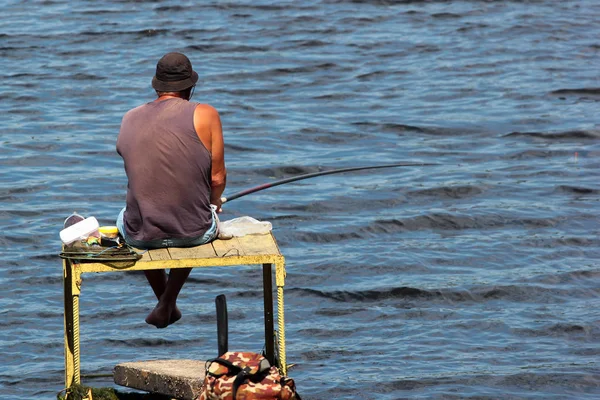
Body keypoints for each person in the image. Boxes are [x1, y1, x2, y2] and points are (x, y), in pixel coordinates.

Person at [116, 52, 226, 328]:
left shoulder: (129, 117)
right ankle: (166, 302)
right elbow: (217, 178)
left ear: (157, 86)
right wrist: (215, 203)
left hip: (140, 236)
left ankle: (165, 302)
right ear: (190, 86)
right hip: (195, 233)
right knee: (196, 214)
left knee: (129, 215)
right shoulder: (206, 113)